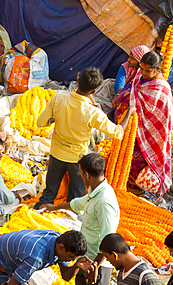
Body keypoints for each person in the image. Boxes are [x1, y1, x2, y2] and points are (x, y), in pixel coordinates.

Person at [42, 153, 119, 285]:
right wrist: (54, 207)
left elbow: (109, 239)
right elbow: (78, 204)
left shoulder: (104, 201)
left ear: (85, 174)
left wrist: (96, 266)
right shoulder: (95, 191)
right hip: (87, 257)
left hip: (99, 262)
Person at [35, 67, 123, 207]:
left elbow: (40, 122)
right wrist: (129, 112)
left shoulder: (59, 97)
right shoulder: (93, 112)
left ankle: (38, 213)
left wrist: (54, 119)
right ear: (93, 91)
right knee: (74, 202)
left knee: (48, 194)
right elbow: (117, 133)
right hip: (77, 160)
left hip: (56, 154)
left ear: (78, 81)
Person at [126, 51, 173, 193]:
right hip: (135, 127)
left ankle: (137, 189)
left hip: (151, 134)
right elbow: (134, 92)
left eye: (148, 71)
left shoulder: (162, 89)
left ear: (157, 69)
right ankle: (127, 184)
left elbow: (162, 117)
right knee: (128, 156)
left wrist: (144, 122)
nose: (143, 73)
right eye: (141, 69)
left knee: (140, 160)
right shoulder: (140, 77)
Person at [112, 45, 150, 110]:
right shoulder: (125, 67)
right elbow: (118, 86)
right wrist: (125, 97)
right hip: (125, 96)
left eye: (132, 58)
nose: (128, 59)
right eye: (130, 57)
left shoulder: (146, 73)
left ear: (140, 61)